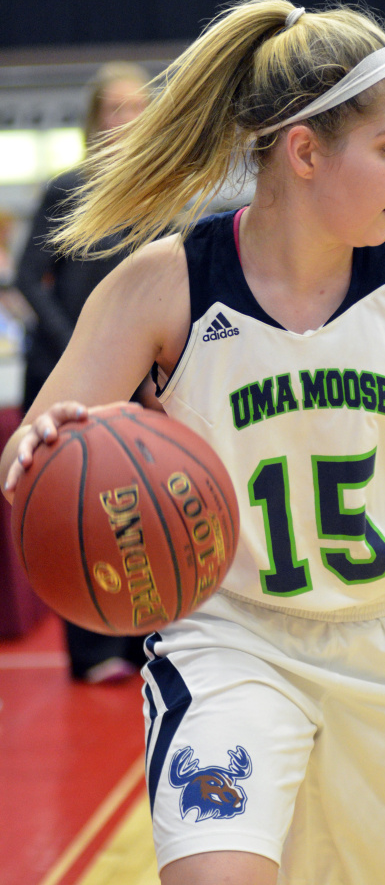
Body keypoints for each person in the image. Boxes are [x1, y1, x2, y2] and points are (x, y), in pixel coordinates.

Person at [1, 0, 385, 885]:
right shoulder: (168, 284)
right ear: (304, 151)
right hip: (232, 636)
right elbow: (29, 452)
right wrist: (46, 447)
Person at [16, 60, 155, 683]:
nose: (124, 120)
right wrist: (81, 346)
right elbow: (26, 278)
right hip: (66, 373)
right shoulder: (66, 188)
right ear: (93, 119)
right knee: (79, 514)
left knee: (139, 512)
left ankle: (136, 643)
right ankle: (90, 650)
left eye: (135, 108)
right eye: (113, 109)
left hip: (135, 379)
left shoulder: (158, 190)